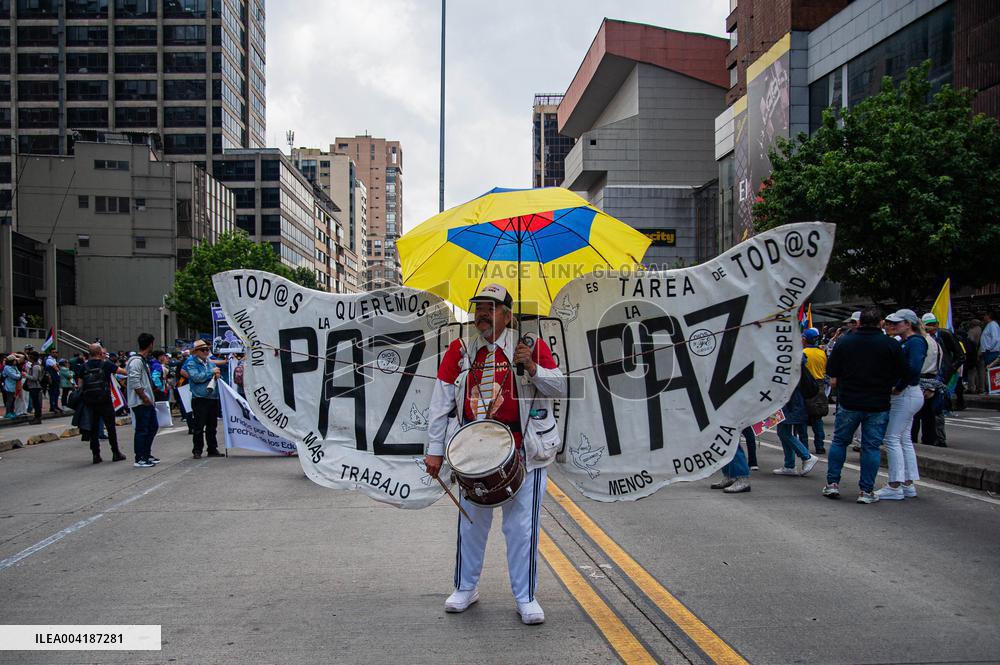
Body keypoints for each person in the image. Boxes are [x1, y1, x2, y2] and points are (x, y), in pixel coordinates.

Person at [425, 284, 566, 625]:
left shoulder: (530, 346)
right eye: (478, 308)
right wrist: (434, 452)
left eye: (491, 307)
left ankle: (525, 597)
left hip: (524, 452)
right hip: (473, 455)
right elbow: (440, 401)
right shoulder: (460, 350)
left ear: (507, 313)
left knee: (521, 530)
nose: (482, 314)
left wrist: (532, 367)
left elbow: (561, 387)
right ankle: (466, 587)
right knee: (471, 526)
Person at [822, 308, 906, 504]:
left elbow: (832, 368)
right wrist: (897, 387)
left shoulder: (845, 342)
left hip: (850, 400)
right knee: (871, 447)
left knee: (840, 442)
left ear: (859, 323)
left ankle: (832, 483)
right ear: (881, 323)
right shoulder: (890, 344)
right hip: (878, 402)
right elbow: (905, 371)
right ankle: (866, 491)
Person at [875, 310, 929, 500]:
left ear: (908, 324)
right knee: (903, 438)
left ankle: (895, 484)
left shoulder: (914, 342)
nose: (892, 326)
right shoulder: (911, 342)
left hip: (906, 393)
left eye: (897, 323)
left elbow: (913, 368)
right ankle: (907, 483)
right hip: (909, 393)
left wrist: (898, 386)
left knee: (892, 438)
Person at [912, 313, 964, 446]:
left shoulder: (943, 336)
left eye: (933, 324)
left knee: (937, 410)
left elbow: (960, 356)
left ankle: (939, 440)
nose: (931, 327)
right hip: (926, 378)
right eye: (927, 325)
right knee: (917, 414)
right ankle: (917, 441)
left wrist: (948, 372)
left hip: (939, 377)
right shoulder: (918, 339)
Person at [77, 343, 127, 464]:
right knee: (110, 427)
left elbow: (80, 385)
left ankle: (96, 455)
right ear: (100, 353)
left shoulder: (83, 366)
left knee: (94, 428)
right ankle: (115, 452)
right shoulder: (105, 364)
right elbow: (123, 372)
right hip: (105, 400)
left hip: (90, 402)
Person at [772, 353, 819, 477]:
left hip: (789, 402)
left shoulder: (788, 359)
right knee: (785, 431)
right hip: (790, 401)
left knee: (784, 432)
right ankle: (789, 465)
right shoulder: (794, 358)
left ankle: (806, 457)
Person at [181, 339, 224, 458]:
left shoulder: (210, 362)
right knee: (199, 426)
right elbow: (196, 378)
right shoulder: (191, 363)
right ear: (196, 352)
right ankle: (197, 450)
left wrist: (218, 375)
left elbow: (215, 374)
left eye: (207, 349)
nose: (206, 352)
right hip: (199, 398)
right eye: (203, 350)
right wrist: (212, 372)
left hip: (212, 397)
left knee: (212, 426)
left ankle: (212, 448)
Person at [127, 333, 160, 468]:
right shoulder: (136, 361)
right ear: (150, 344)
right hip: (141, 402)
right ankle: (140, 457)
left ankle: (146, 454)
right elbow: (135, 381)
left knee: (152, 427)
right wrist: (144, 397)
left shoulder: (142, 360)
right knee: (142, 429)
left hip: (147, 401)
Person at [797, 327, 828, 454]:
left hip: (804, 386)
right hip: (819, 387)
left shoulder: (802, 353)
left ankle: (804, 447)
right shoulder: (822, 353)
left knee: (803, 419)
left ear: (805, 339)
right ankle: (819, 446)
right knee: (817, 418)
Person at [23, 351, 44, 424]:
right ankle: (37, 417)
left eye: (29, 356)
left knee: (36, 403)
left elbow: (35, 378)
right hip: (33, 386)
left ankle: (37, 418)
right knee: (36, 402)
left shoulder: (35, 366)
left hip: (35, 387)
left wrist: (26, 375)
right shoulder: (34, 365)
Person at [44, 347, 62, 413]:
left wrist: (57, 366)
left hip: (56, 378)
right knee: (52, 393)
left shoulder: (54, 360)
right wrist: (57, 366)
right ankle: (52, 406)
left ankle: (56, 406)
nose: (55, 353)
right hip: (52, 378)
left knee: (57, 393)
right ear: (50, 353)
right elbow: (57, 369)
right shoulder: (49, 360)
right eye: (53, 352)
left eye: (56, 352)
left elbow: (58, 368)